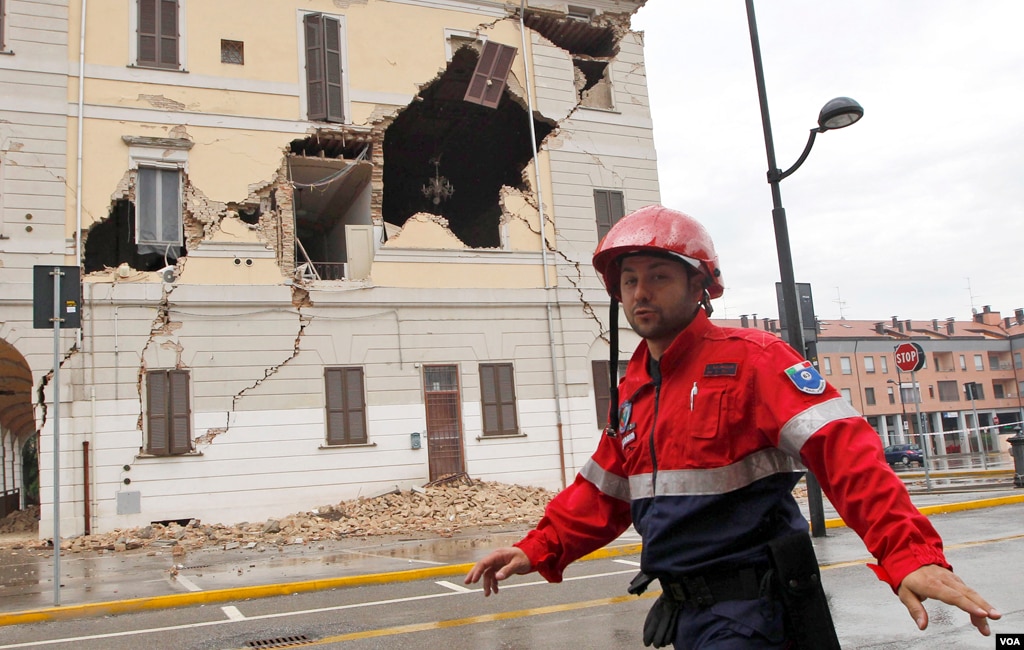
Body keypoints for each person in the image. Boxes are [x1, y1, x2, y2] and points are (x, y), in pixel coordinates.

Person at [464, 205, 1001, 648]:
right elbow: (604, 489)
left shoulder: (754, 360)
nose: (639, 292)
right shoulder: (635, 388)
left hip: (753, 611)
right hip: (687, 612)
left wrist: (907, 554)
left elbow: (846, 455)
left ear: (701, 284)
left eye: (658, 276)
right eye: (628, 280)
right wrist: (537, 547)